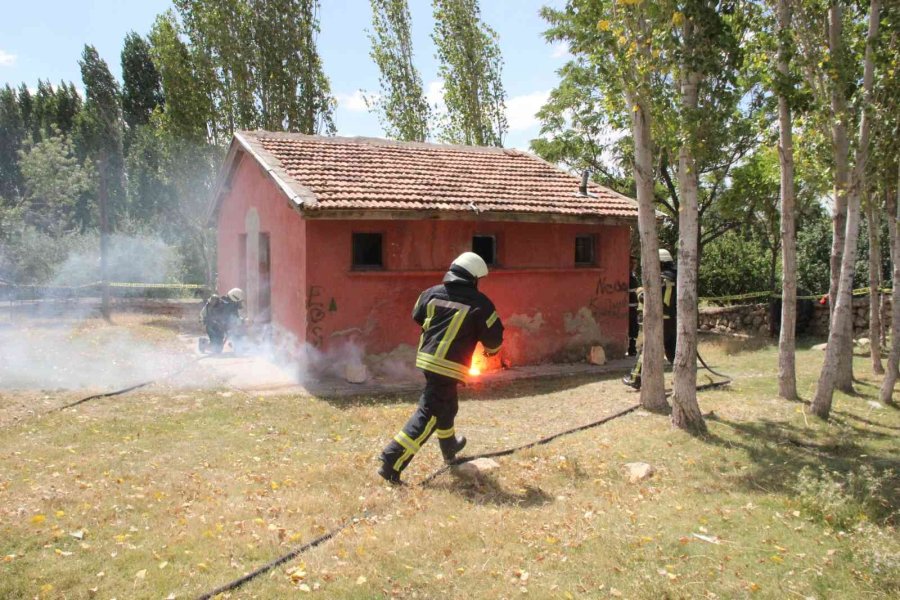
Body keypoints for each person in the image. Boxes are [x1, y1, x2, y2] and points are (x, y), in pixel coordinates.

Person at [378, 252, 504, 485]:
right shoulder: (480, 303)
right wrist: (491, 353)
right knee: (428, 415)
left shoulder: (430, 293)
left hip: (427, 360)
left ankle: (449, 447)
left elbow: (418, 315)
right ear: (474, 278)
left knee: (447, 405)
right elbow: (494, 340)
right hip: (450, 366)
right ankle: (391, 461)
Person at [623, 249, 677, 389]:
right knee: (673, 351)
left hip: (661, 320)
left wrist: (640, 292)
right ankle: (680, 378)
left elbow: (649, 298)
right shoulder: (680, 277)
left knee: (646, 349)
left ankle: (635, 378)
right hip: (675, 320)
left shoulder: (662, 278)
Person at [199, 287, 245, 353]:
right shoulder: (222, 304)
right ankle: (203, 343)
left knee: (237, 329)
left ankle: (236, 344)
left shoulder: (232, 306)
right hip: (214, 327)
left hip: (222, 326)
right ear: (235, 298)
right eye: (239, 301)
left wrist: (242, 321)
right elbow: (218, 318)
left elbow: (235, 319)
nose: (240, 303)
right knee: (216, 349)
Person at [627, 255, 640, 357]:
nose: (633, 265)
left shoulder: (633, 275)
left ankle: (633, 347)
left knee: (634, 328)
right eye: (631, 263)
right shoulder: (626, 276)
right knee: (631, 328)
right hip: (628, 307)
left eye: (635, 263)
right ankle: (630, 348)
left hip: (634, 307)